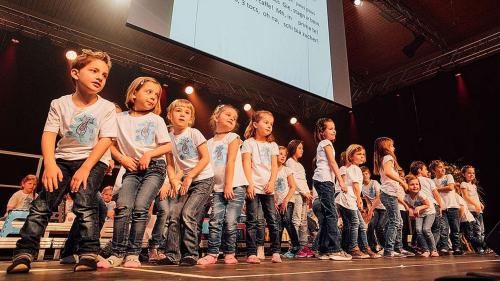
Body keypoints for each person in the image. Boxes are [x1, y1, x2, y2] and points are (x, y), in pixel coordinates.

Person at [7, 49, 116, 274]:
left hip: (92, 161)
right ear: (75, 73)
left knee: (86, 203)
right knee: (42, 205)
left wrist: (86, 168)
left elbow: (107, 139)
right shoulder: (59, 103)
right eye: (94, 71)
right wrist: (49, 164)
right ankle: (24, 252)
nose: (100, 77)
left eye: (104, 75)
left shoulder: (106, 107)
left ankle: (88, 252)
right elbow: (49, 134)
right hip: (63, 159)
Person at [97, 77, 171, 268]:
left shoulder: (156, 120)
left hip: (154, 167)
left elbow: (168, 146)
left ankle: (133, 254)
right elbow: (108, 143)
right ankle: (117, 252)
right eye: (148, 92)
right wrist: (122, 159)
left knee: (140, 209)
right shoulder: (119, 119)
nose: (153, 97)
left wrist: (149, 154)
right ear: (134, 93)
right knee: (123, 207)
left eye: (156, 95)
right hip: (131, 169)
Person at [165, 99, 215, 266]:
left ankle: (191, 254)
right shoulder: (168, 137)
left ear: (191, 118)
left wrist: (190, 176)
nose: (182, 114)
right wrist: (173, 180)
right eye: (178, 110)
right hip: (186, 180)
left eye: (187, 112)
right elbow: (170, 163)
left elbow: (205, 158)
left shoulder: (194, 133)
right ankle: (172, 255)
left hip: (203, 179)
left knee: (188, 214)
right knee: (173, 215)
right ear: (169, 115)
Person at [197, 104, 248, 265]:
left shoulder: (232, 137)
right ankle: (212, 253)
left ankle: (229, 253)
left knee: (230, 221)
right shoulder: (208, 142)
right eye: (228, 115)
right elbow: (207, 165)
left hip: (235, 185)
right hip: (217, 188)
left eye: (234, 118)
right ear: (216, 116)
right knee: (215, 220)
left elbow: (231, 161)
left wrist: (228, 184)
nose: (232, 118)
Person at [241, 110, 282, 264]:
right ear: (255, 124)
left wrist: (272, 182)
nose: (269, 126)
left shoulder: (273, 145)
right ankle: (251, 252)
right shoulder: (248, 143)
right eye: (266, 122)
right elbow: (246, 163)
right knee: (252, 220)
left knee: (272, 220)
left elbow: (274, 166)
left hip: (268, 188)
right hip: (254, 186)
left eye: (271, 124)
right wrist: (249, 184)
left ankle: (276, 251)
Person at [312, 118, 351, 261]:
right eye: (330, 128)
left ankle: (323, 250)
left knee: (328, 215)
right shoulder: (325, 143)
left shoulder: (324, 143)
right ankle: (334, 249)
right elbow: (332, 162)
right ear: (322, 132)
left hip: (322, 180)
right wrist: (341, 181)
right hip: (324, 180)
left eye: (334, 128)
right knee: (332, 215)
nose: (334, 130)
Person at [337, 144, 379, 258]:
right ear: (350, 156)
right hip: (349, 199)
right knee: (355, 223)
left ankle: (365, 248)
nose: (362, 156)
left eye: (363, 154)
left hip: (350, 199)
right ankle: (353, 248)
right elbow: (355, 186)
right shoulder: (355, 168)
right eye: (358, 154)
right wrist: (359, 199)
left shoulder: (354, 168)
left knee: (359, 224)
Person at [373, 137, 408, 258]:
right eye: (392, 145)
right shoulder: (388, 157)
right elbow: (388, 172)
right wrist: (402, 182)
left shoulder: (384, 159)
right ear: (386, 147)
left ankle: (398, 248)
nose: (394, 148)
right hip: (388, 194)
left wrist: (399, 180)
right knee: (395, 221)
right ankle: (389, 249)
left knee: (398, 221)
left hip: (388, 193)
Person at [285, 139, 314, 258]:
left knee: (304, 222)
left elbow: (303, 181)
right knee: (296, 221)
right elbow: (294, 181)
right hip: (296, 194)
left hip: (303, 195)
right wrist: (303, 192)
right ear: (293, 149)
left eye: (302, 148)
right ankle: (294, 248)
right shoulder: (290, 162)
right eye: (299, 148)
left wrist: (308, 193)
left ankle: (303, 247)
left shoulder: (300, 165)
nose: (302, 150)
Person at [429, 160, 462, 255]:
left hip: (452, 206)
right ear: (433, 170)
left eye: (443, 166)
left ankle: (457, 247)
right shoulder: (432, 181)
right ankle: (444, 247)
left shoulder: (448, 177)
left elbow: (451, 187)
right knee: (444, 229)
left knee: (455, 229)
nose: (443, 168)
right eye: (439, 167)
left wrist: (436, 190)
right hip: (442, 208)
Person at [274, 146, 301, 259]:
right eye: (280, 154)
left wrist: (286, 200)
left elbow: (293, 187)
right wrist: (273, 202)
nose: (283, 156)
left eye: (285, 154)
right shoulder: (271, 170)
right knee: (278, 225)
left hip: (288, 200)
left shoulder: (287, 170)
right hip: (276, 202)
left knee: (286, 220)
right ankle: (277, 250)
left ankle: (296, 246)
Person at [404, 175, 438, 257]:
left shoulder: (420, 194)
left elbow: (427, 205)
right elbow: (410, 206)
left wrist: (418, 208)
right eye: (412, 184)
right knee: (418, 230)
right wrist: (411, 211)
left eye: (417, 184)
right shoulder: (406, 197)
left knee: (426, 229)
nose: (415, 186)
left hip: (429, 212)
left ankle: (433, 250)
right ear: (407, 186)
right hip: (420, 214)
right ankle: (426, 250)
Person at [460, 165, 486, 253]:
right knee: (476, 230)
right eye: (469, 173)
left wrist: (480, 204)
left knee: (481, 230)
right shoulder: (464, 184)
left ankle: (482, 247)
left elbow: (475, 197)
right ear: (464, 174)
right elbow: (466, 197)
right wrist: (476, 204)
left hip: (478, 210)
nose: (471, 175)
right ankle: (479, 248)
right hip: (471, 210)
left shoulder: (474, 185)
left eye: (473, 173)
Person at [361, 166, 385, 252]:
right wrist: (370, 210)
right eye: (362, 174)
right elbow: (367, 201)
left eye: (366, 174)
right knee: (371, 225)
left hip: (383, 208)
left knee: (380, 226)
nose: (364, 176)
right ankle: (372, 246)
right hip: (375, 209)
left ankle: (384, 246)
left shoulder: (374, 183)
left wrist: (371, 210)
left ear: (369, 174)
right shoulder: (362, 187)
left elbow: (378, 197)